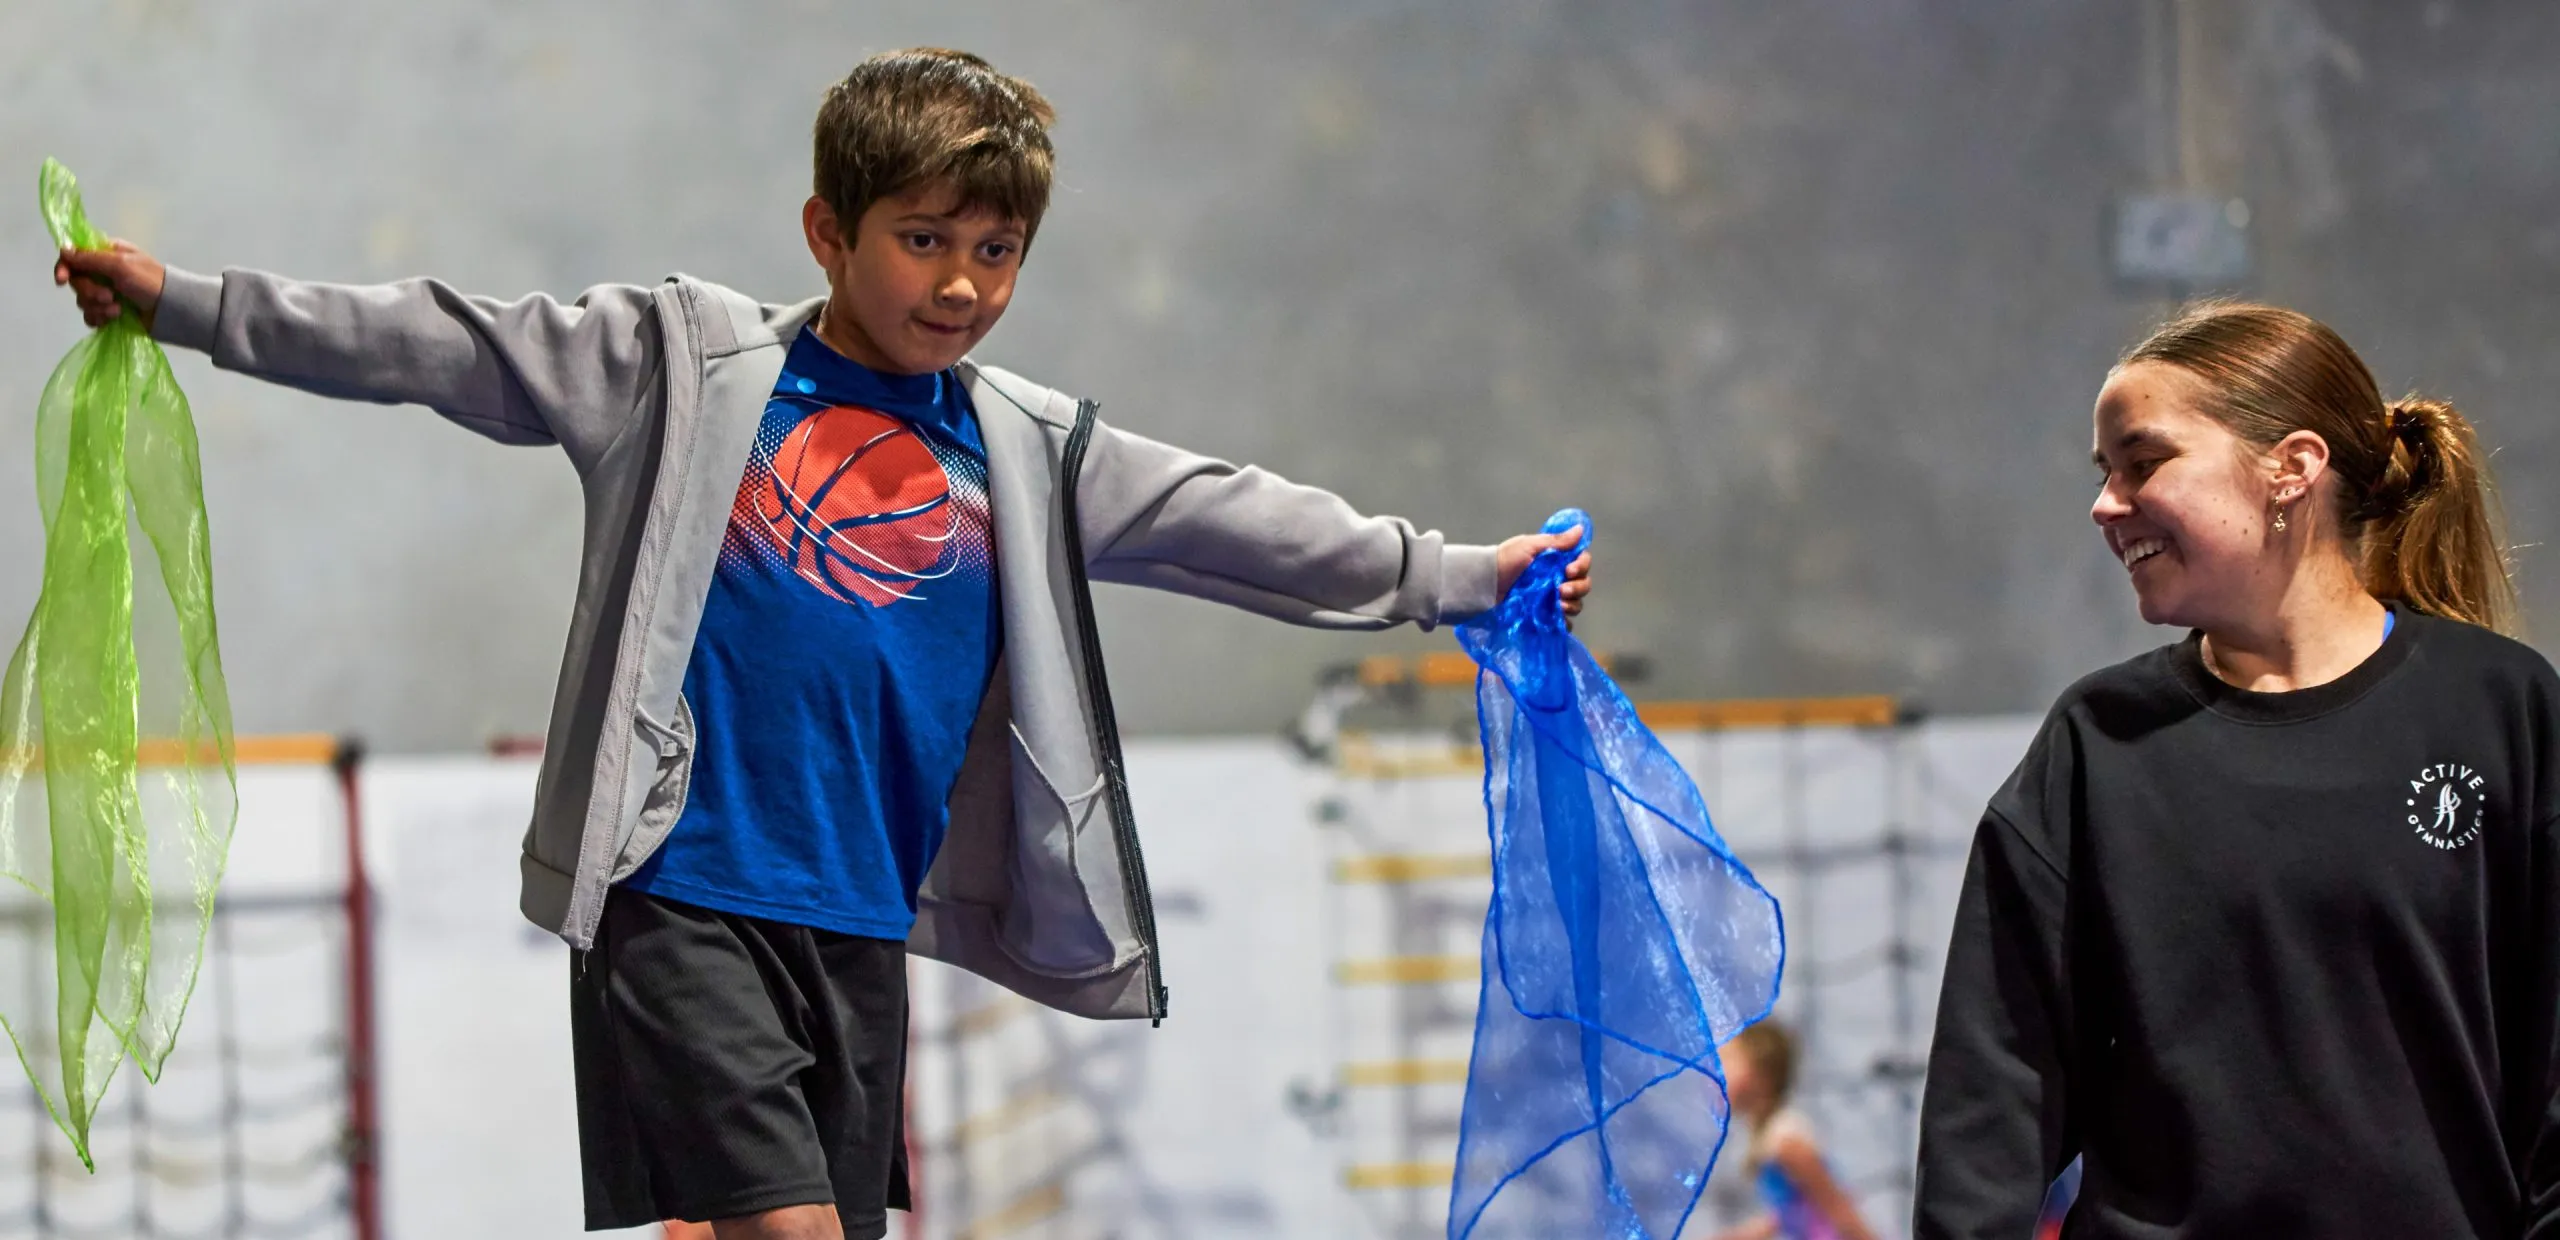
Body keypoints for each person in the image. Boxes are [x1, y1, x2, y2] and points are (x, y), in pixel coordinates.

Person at [54, 48, 1591, 1240]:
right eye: (925, 240)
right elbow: (437, 341)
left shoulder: (1022, 448)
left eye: (999, 250)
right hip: (684, 895)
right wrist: (185, 302)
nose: (965, 285)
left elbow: (1228, 520)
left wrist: (1457, 575)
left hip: (860, 920)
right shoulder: (679, 365)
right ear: (828, 230)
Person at [1914, 301, 2556, 1238]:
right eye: (2104, 474)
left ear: (2290, 469)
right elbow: (1990, 1107)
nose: (2105, 503)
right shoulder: (2096, 745)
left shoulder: (2500, 710)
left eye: (2144, 462)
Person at [1712, 1021, 1879, 1240]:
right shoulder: (1765, 1135)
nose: (1717, 1071)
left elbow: (1839, 1209)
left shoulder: (1786, 1140)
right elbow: (1792, 1212)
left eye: (1729, 1061)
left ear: (1762, 1077)